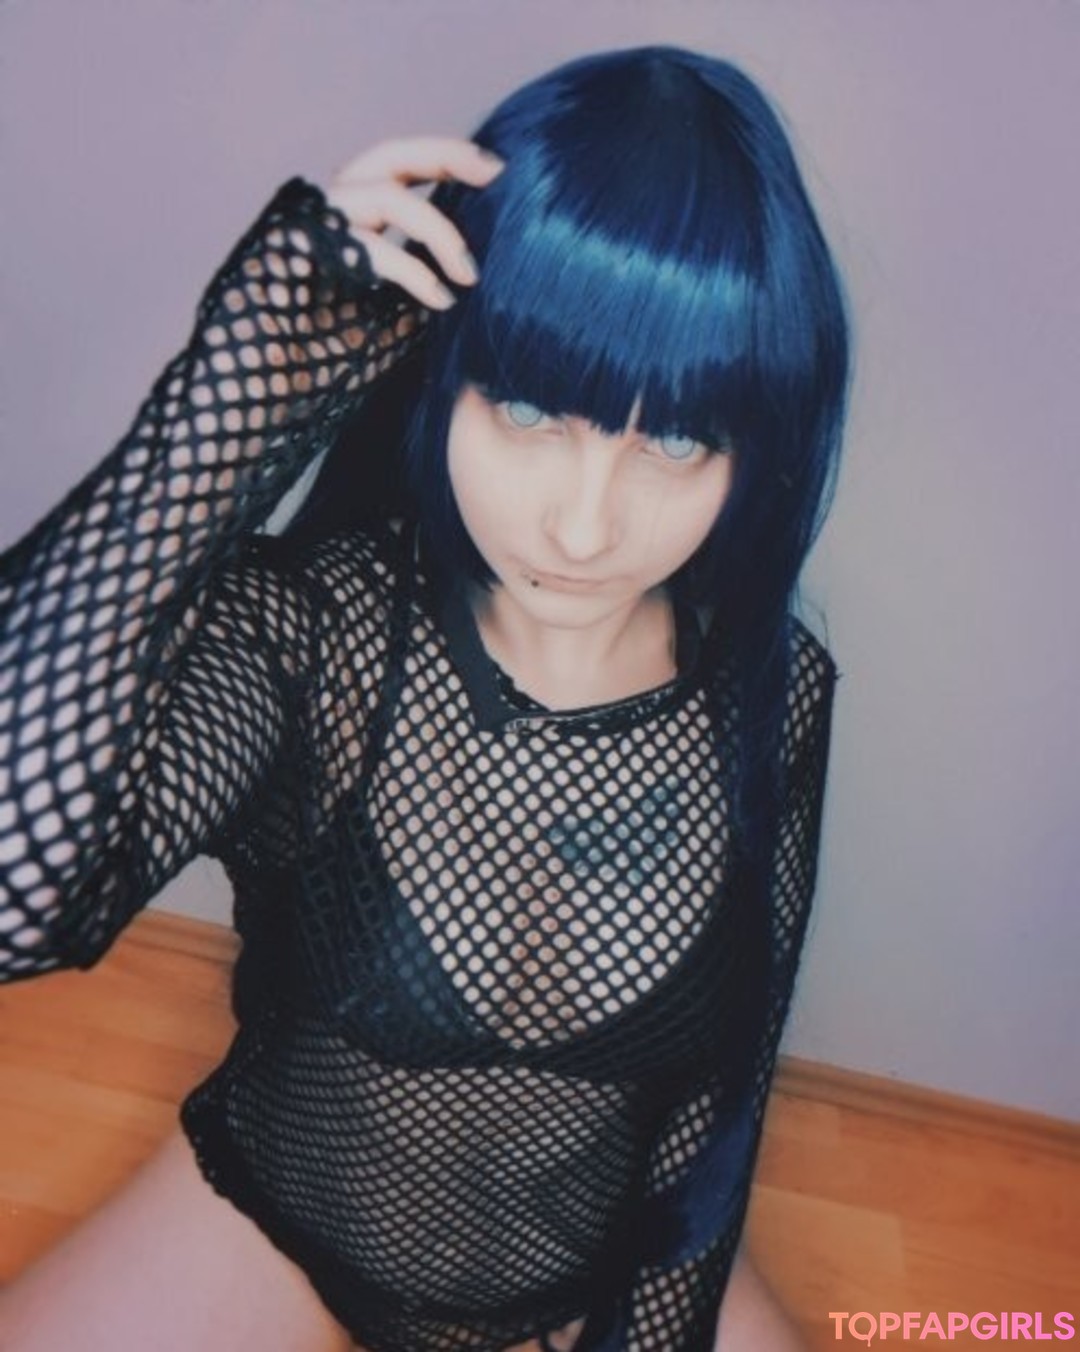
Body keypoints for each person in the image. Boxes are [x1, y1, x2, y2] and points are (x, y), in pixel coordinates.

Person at [0, 45, 848, 1352]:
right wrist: (232, 399)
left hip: (594, 1269)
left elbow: (715, 1100)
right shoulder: (322, 638)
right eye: (530, 409)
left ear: (759, 451)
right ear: (447, 376)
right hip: (285, 1218)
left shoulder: (770, 697)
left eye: (676, 440)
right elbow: (12, 894)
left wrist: (647, 1331)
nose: (583, 527)